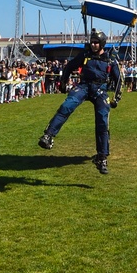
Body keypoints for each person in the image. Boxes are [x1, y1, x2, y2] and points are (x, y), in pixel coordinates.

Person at [37, 29, 120, 174]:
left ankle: (102, 156)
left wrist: (117, 97)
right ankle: (48, 135)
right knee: (66, 106)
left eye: (96, 43)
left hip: (100, 89)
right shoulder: (85, 55)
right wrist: (63, 82)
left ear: (102, 44)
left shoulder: (111, 59)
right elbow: (69, 66)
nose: (93, 45)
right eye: (92, 42)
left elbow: (119, 79)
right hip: (84, 86)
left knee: (102, 119)